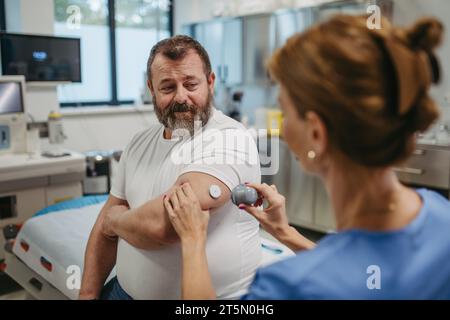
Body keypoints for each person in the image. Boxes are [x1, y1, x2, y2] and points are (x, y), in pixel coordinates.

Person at [164, 15, 450, 299]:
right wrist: (286, 233)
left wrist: (192, 241)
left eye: (286, 111)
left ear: (316, 134)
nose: (284, 127)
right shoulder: (440, 216)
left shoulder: (287, 287)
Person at [79, 35, 262, 300]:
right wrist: (87, 294)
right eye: (167, 87)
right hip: (123, 292)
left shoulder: (230, 137)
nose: (181, 97)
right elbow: (104, 225)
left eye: (191, 84)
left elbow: (166, 225)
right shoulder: (139, 143)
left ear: (210, 83)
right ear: (151, 89)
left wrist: (115, 221)